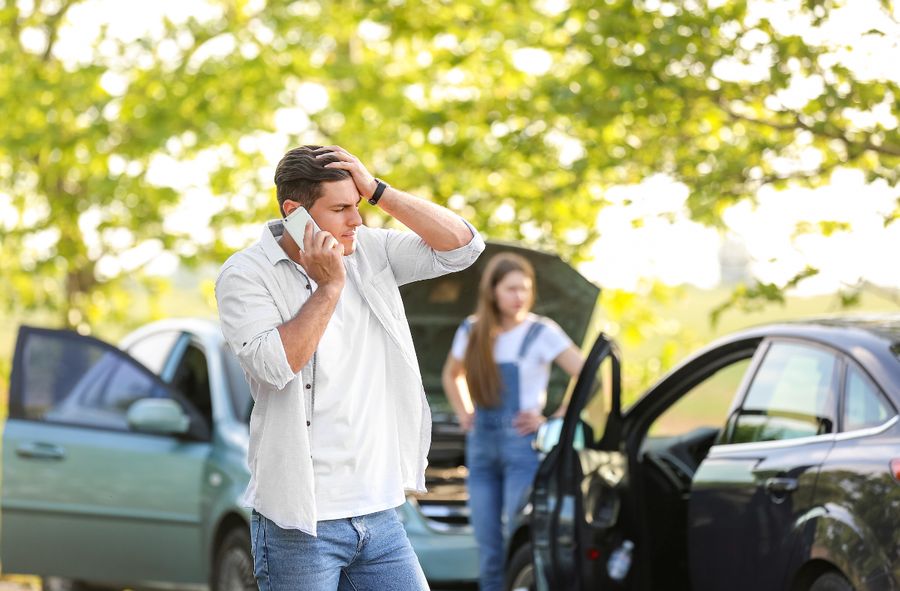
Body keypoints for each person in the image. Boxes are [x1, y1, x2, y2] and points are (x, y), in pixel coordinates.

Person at [215, 144, 485, 590]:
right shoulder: (245, 274)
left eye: (357, 205)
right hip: (301, 524)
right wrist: (329, 286)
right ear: (294, 212)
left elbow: (463, 247)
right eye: (341, 209)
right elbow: (276, 365)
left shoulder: (370, 249)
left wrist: (379, 191)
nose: (356, 220)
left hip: (380, 514)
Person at [441, 252, 584, 591]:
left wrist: (553, 418)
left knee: (517, 538)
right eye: (511, 289)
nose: (519, 297)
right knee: (488, 544)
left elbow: (587, 374)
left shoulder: (542, 332)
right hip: (481, 448)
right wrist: (465, 413)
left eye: (525, 289)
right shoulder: (472, 330)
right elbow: (451, 375)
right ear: (492, 291)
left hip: (523, 450)